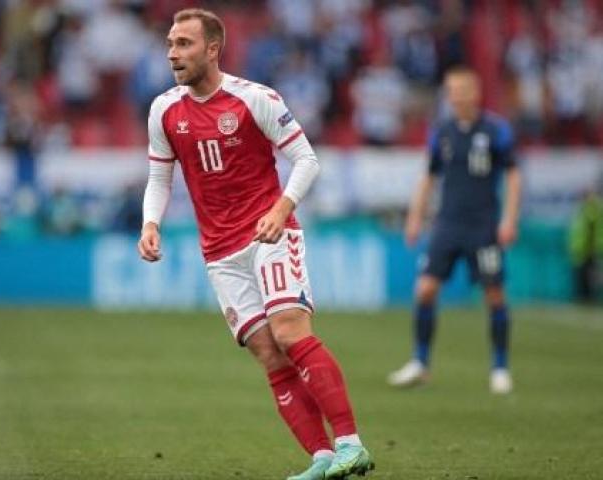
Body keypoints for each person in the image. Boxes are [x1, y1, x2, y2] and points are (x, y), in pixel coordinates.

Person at [137, 8, 373, 480]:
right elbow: (159, 178)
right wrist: (150, 223)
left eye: (183, 44)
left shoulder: (253, 99)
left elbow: (306, 160)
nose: (172, 53)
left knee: (289, 331)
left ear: (212, 49)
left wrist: (281, 210)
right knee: (268, 351)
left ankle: (351, 443)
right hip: (220, 253)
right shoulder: (164, 109)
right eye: (169, 43)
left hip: (268, 231)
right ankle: (323, 457)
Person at [388, 67, 522, 395]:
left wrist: (509, 220)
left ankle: (500, 367)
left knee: (494, 295)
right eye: (451, 90)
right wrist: (415, 218)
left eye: (461, 90)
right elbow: (429, 177)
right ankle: (420, 362)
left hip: (483, 225)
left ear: (475, 93)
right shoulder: (442, 131)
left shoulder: (495, 130)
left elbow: (513, 175)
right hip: (448, 223)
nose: (456, 96)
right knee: (425, 290)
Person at [568, 189, 603, 303]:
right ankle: (583, 300)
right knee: (581, 278)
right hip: (580, 250)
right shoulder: (581, 210)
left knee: (589, 279)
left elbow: (593, 231)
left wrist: (594, 248)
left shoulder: (592, 210)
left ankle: (589, 300)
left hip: (589, 250)